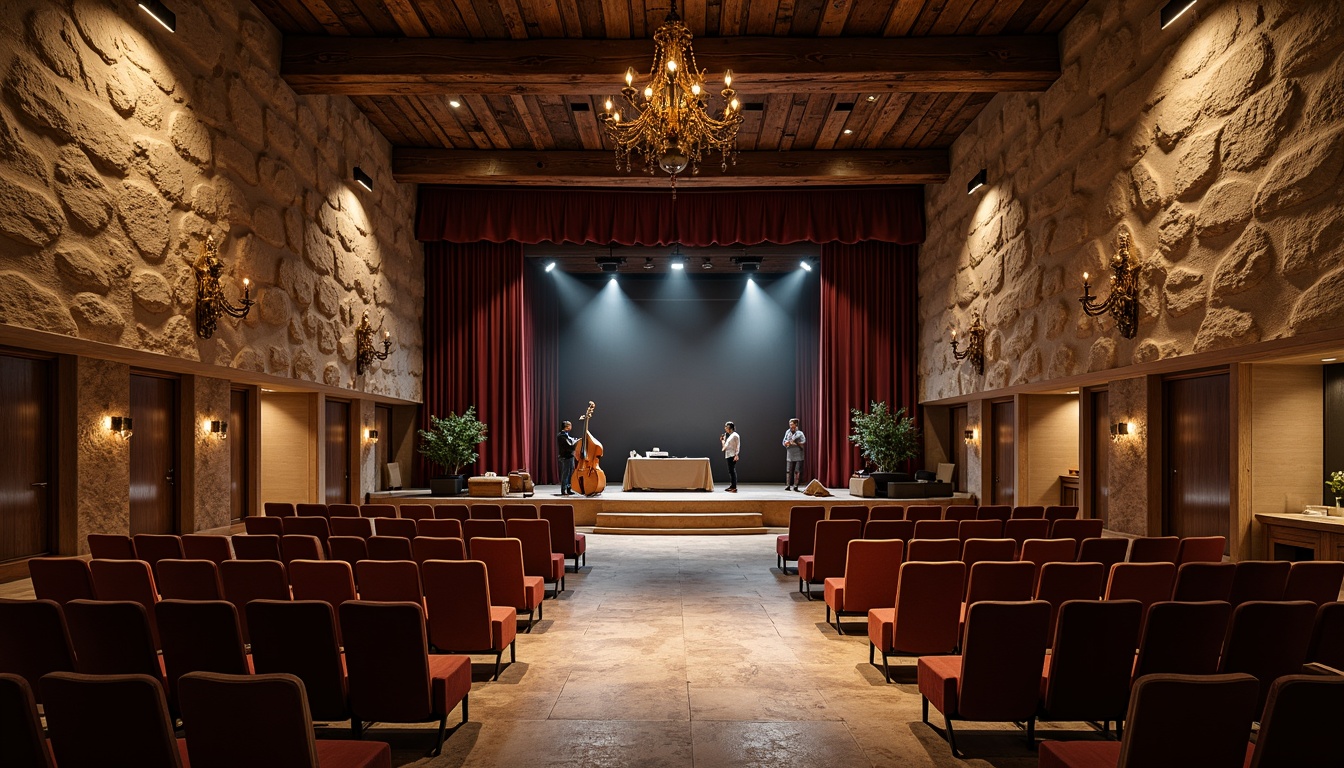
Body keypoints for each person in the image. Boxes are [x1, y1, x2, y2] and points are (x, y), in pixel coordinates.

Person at [782, 418, 806, 491]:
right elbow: (784, 440)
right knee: (788, 470)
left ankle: (795, 486)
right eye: (790, 424)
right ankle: (788, 485)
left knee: (797, 470)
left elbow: (803, 441)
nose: (790, 425)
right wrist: (786, 443)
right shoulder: (787, 432)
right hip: (790, 453)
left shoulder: (800, 433)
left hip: (798, 453)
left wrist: (796, 443)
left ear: (796, 424)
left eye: (792, 424)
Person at [556, 420, 578, 496]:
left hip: (570, 456)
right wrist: (576, 442)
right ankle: (563, 490)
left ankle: (569, 489)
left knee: (570, 474)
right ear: (567, 427)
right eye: (570, 426)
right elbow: (569, 446)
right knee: (566, 473)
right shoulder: (562, 436)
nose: (571, 427)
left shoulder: (566, 435)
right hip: (566, 457)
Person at [719, 421, 740, 493]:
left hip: (732, 455)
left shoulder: (734, 435)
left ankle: (734, 487)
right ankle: (732, 486)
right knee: (731, 471)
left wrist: (736, 454)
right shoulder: (731, 436)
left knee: (732, 471)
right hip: (729, 455)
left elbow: (737, 446)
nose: (725, 428)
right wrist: (723, 441)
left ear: (729, 428)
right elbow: (724, 448)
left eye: (726, 427)